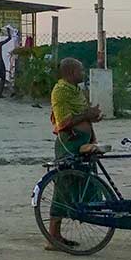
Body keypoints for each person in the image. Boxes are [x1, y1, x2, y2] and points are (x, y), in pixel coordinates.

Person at [46, 57, 107, 250]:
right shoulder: (61, 91)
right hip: (70, 144)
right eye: (80, 70)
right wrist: (87, 115)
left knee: (82, 183)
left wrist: (92, 115)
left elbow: (81, 114)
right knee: (64, 186)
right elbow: (63, 122)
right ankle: (53, 236)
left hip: (83, 142)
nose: (83, 73)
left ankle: (60, 233)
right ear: (71, 72)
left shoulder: (76, 91)